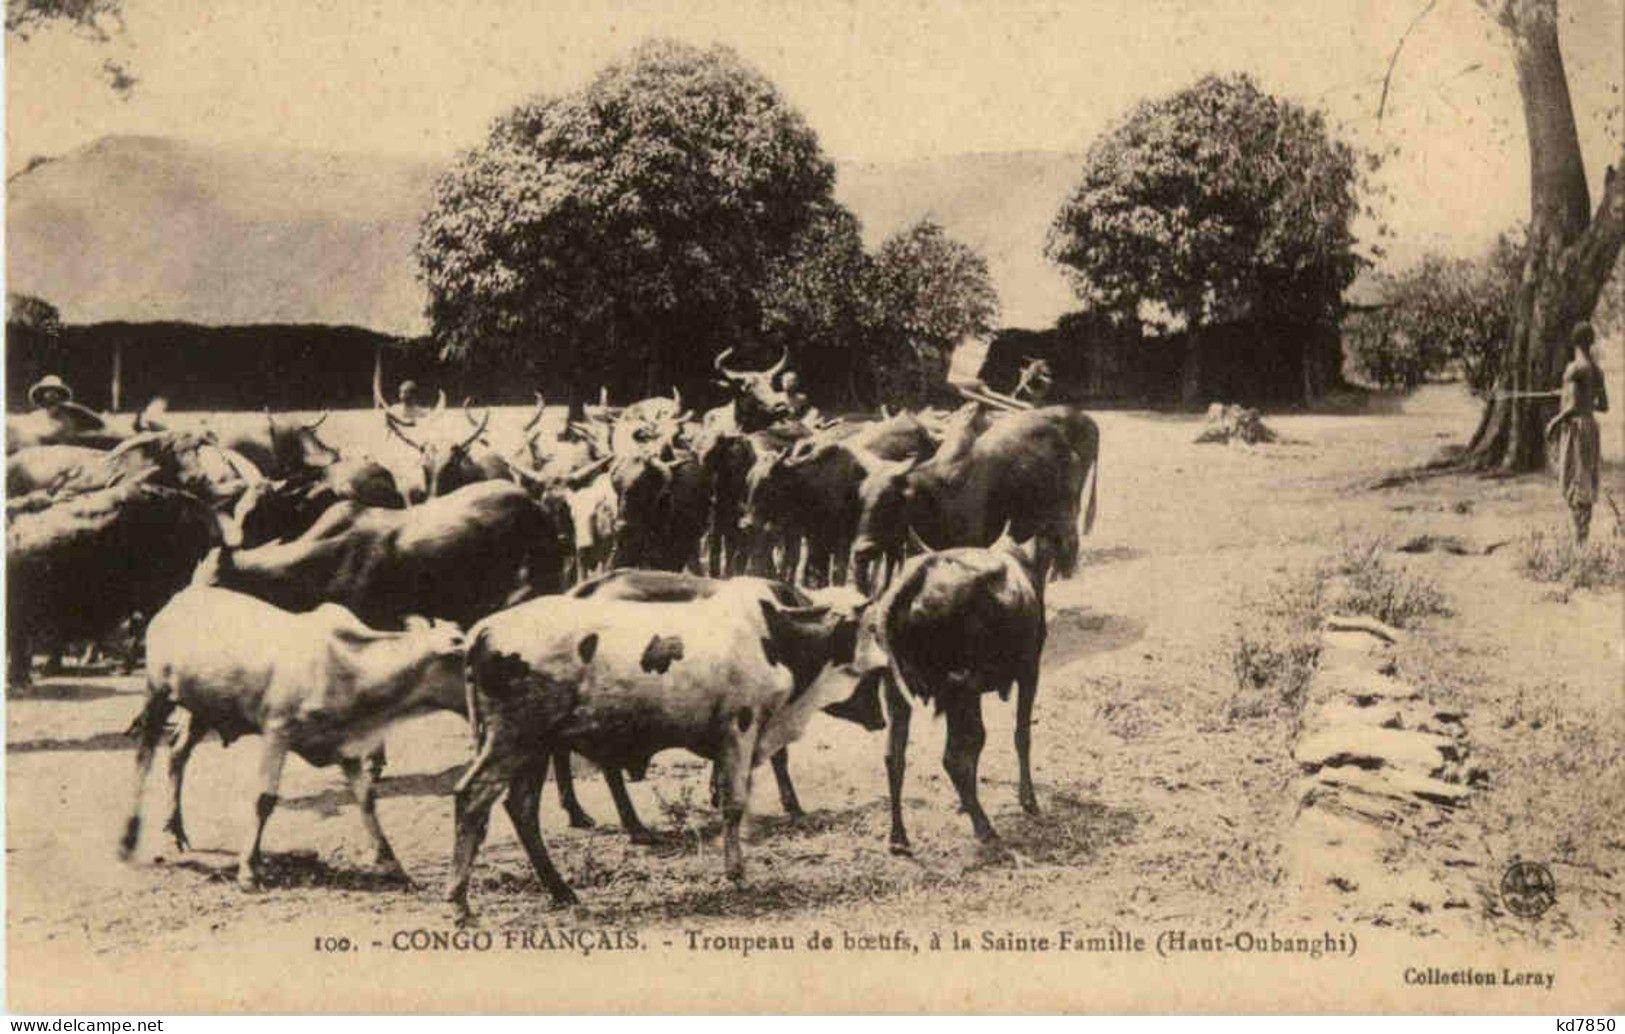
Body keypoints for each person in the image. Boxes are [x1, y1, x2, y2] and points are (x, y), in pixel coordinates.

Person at [1545, 322, 1610, 543]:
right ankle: (1583, 538)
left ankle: (1579, 540)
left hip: (1575, 429)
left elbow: (1571, 407)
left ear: (1574, 342)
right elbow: (1603, 406)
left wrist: (1554, 421)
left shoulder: (1574, 369)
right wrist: (1575, 396)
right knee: (1585, 482)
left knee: (1573, 480)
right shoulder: (1596, 370)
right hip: (1591, 428)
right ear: (1590, 342)